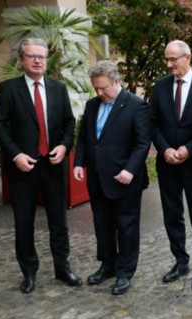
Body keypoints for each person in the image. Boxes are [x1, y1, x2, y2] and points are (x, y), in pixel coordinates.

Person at [0, 37, 82, 293]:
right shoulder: (9, 89)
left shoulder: (58, 88)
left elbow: (68, 123)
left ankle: (62, 268)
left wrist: (64, 147)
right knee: (24, 222)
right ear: (21, 60)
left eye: (41, 56)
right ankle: (29, 273)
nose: (37, 60)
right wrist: (15, 155)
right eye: (31, 56)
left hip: (53, 166)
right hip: (23, 167)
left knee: (59, 221)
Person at [73, 61, 150, 295]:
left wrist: (130, 170)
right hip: (97, 177)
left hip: (124, 179)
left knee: (126, 227)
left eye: (103, 88)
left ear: (116, 82)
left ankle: (125, 272)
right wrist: (78, 163)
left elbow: (142, 143)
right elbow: (85, 138)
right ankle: (107, 265)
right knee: (102, 225)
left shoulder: (136, 105)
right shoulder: (92, 105)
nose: (99, 93)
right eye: (95, 88)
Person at [150, 40, 192, 290]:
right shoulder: (160, 87)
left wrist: (189, 148)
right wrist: (165, 148)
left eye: (173, 60)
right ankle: (180, 261)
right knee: (172, 215)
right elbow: (153, 123)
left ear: (188, 58)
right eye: (166, 60)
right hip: (167, 163)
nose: (169, 65)